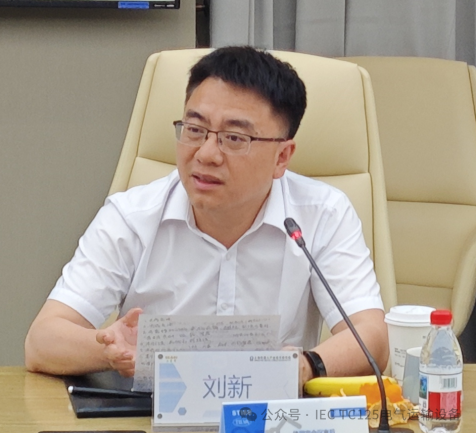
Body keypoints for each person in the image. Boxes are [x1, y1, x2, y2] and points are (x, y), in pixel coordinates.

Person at [24, 46, 388, 387]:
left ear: (282, 157)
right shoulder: (132, 216)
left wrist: (305, 367)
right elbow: (42, 342)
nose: (206, 154)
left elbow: (371, 338)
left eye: (234, 138)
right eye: (195, 130)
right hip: (148, 416)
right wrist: (108, 350)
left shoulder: (322, 214)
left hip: (269, 416)